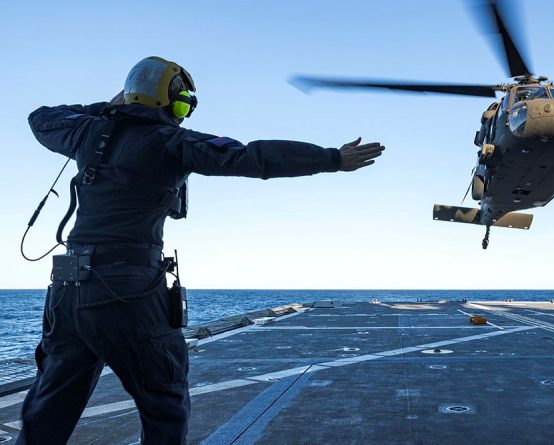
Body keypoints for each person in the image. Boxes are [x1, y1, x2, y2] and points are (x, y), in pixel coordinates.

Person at [18, 56, 384, 444]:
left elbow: (41, 117)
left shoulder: (88, 133)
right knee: (164, 403)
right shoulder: (172, 142)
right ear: (165, 101)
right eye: (180, 105)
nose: (182, 117)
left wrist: (112, 110)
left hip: (67, 293)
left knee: (49, 405)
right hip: (128, 291)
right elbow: (251, 156)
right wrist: (331, 159)